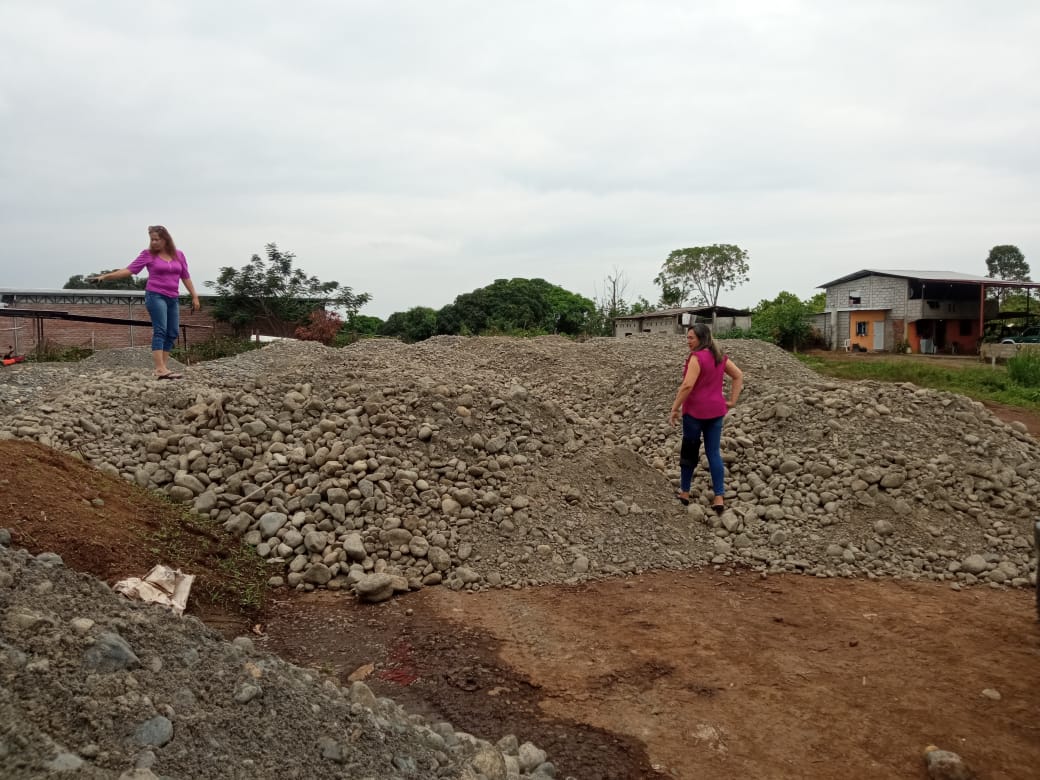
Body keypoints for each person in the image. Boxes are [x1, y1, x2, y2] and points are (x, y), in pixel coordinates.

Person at [90, 225, 200, 379]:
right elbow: (129, 270)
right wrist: (105, 277)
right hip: (155, 296)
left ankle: (163, 369)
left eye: (157, 239)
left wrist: (194, 296)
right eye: (151, 240)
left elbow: (185, 276)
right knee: (160, 330)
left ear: (165, 239)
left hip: (172, 298)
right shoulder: (147, 254)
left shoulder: (179, 255)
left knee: (172, 332)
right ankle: (160, 369)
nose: (153, 242)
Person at [668, 323, 744, 514]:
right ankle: (719, 496)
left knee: (689, 451)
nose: (688, 341)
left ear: (701, 338)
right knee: (714, 453)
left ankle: (685, 493)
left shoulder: (697, 357)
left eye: (691, 338)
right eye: (687, 337)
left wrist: (675, 408)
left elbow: (687, 385)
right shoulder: (719, 356)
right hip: (716, 412)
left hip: (695, 412)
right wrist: (732, 401)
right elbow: (738, 375)